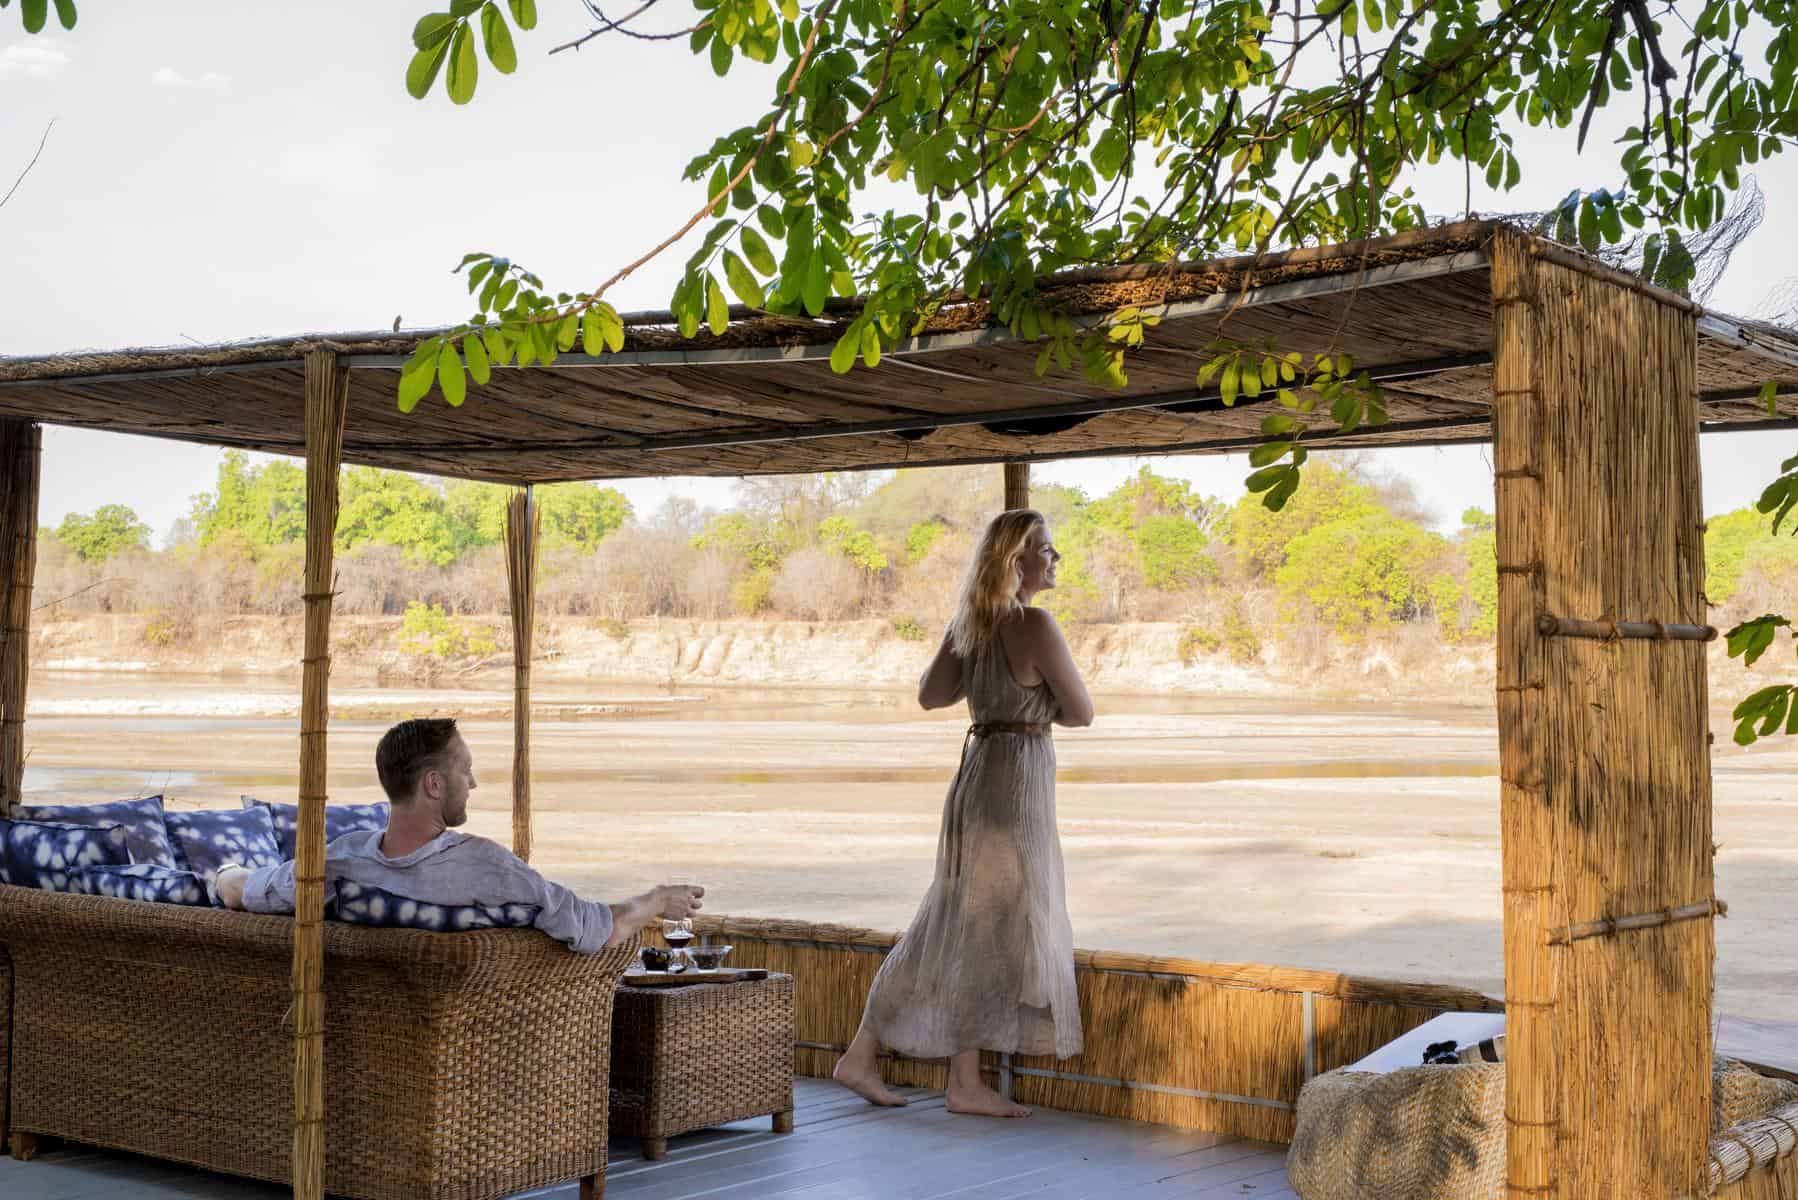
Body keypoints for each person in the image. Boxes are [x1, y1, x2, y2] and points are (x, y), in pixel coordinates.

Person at [833, 509, 1094, 1118]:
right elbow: (1081, 713)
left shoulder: (972, 624)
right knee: (979, 924)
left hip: (977, 774)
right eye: (1046, 550)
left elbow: (931, 695)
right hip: (1015, 781)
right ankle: (925, 1071)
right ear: (1015, 562)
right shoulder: (1035, 624)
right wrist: (1032, 707)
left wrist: (987, 679)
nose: (1056, 560)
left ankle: (931, 1070)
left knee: (961, 919)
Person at [214, 717, 702, 952]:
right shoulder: (486, 867)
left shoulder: (337, 863)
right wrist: (657, 900)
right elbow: (595, 928)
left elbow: (242, 893)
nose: (473, 783)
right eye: (465, 770)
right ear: (432, 783)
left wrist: (224, 873)